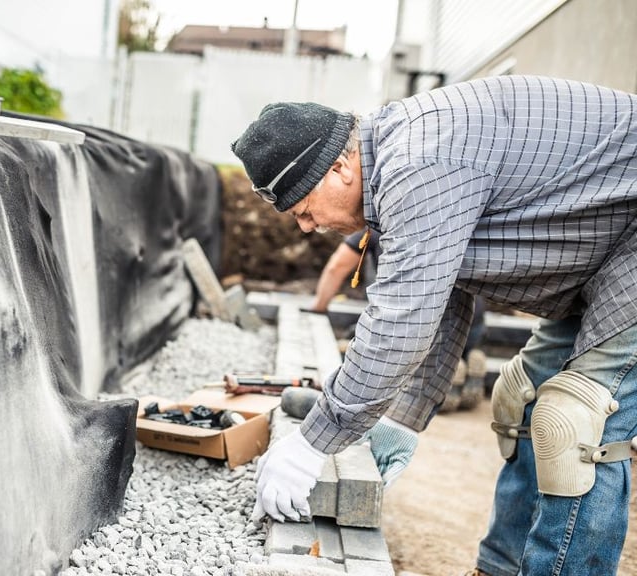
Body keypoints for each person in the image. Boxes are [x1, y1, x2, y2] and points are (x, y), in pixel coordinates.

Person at [230, 76, 637, 576]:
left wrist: (315, 441)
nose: (307, 227)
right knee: (525, 398)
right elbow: (442, 302)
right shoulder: (396, 169)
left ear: (338, 166)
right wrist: (403, 418)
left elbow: (402, 318)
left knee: (577, 422)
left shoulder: (421, 161)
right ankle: (501, 568)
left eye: (304, 211)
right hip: (603, 254)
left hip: (629, 247)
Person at [309, 228, 489, 412]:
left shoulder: (374, 228)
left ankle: (442, 374)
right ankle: (464, 358)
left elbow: (336, 268)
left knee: (379, 343)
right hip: (472, 319)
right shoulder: (442, 220)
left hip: (426, 325)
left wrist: (319, 307)